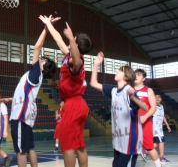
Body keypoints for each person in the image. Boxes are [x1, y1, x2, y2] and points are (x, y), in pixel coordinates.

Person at [39, 15, 92, 167]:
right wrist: (48, 24)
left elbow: (76, 61)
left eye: (72, 39)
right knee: (79, 144)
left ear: (75, 43)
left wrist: (71, 39)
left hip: (74, 104)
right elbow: (57, 39)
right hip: (77, 103)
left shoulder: (76, 60)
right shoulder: (68, 55)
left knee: (67, 145)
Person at [9, 16, 58, 167]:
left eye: (43, 59)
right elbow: (23, 93)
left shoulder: (36, 72)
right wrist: (7, 99)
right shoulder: (36, 76)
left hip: (21, 115)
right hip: (27, 114)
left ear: (44, 65)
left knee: (20, 151)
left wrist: (46, 27)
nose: (40, 59)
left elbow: (37, 47)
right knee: (29, 148)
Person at [90, 52, 148, 167]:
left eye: (120, 70)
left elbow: (145, 107)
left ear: (125, 77)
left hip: (129, 142)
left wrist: (133, 98)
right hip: (118, 140)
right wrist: (96, 64)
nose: (116, 71)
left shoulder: (129, 92)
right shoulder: (113, 91)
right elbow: (93, 83)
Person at [134, 69, 161, 167]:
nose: (136, 76)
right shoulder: (129, 90)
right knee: (130, 146)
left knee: (149, 146)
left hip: (145, 122)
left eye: (139, 75)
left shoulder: (148, 90)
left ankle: (158, 165)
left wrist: (145, 116)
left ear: (144, 78)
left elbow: (153, 107)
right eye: (135, 74)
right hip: (132, 123)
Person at [153, 94, 171, 163]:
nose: (157, 98)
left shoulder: (162, 106)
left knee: (158, 143)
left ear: (161, 99)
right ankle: (162, 158)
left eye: (158, 97)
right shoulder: (153, 107)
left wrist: (167, 125)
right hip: (155, 128)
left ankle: (145, 152)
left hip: (160, 128)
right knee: (161, 142)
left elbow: (163, 117)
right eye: (156, 98)